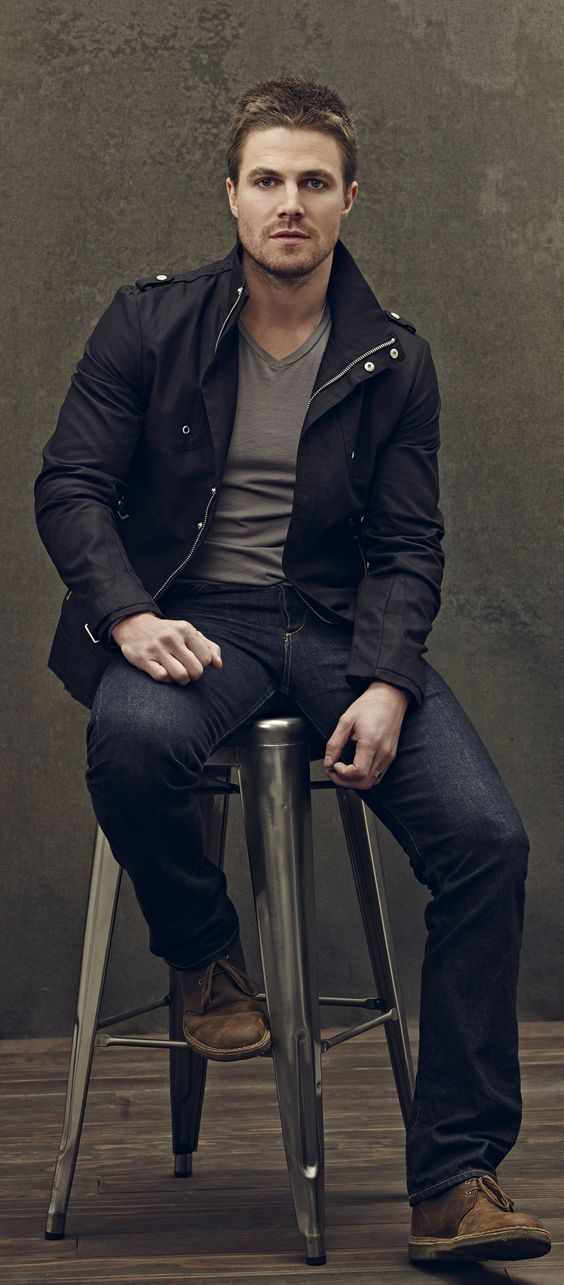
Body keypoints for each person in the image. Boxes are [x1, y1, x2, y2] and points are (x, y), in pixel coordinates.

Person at [35, 77, 551, 1265]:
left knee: (487, 839)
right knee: (133, 739)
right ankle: (206, 955)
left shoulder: (394, 358)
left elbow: (409, 546)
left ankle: (455, 1182)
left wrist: (390, 679)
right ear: (231, 193)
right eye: (267, 179)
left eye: (314, 182)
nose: (290, 202)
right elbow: (70, 485)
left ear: (348, 200)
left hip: (333, 630)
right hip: (188, 617)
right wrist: (126, 616)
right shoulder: (146, 323)